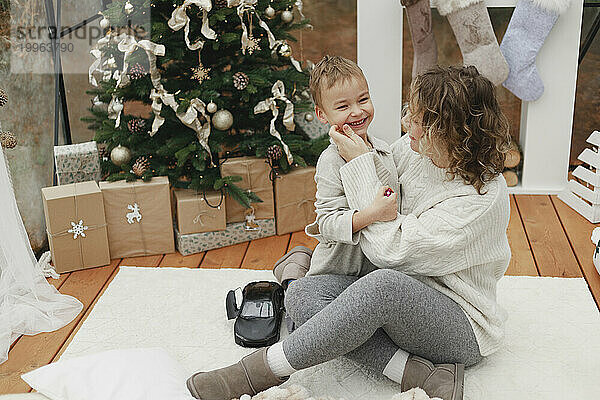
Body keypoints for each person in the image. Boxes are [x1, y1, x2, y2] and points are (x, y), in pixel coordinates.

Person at [186, 65, 512, 400]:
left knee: (381, 286)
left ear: (447, 131)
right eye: (408, 113)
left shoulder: (480, 199)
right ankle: (414, 372)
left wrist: (359, 162)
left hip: (458, 324)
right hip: (402, 293)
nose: (404, 124)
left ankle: (259, 371)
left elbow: (389, 250)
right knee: (302, 296)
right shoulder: (422, 151)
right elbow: (372, 196)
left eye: (415, 119)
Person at [273, 55, 399, 289]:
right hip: (337, 272)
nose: (357, 111)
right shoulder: (330, 161)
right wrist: (371, 214)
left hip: (376, 272)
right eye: (343, 106)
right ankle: (295, 270)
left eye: (363, 99)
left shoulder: (384, 150)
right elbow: (327, 222)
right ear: (321, 115)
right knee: (303, 303)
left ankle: (301, 259)